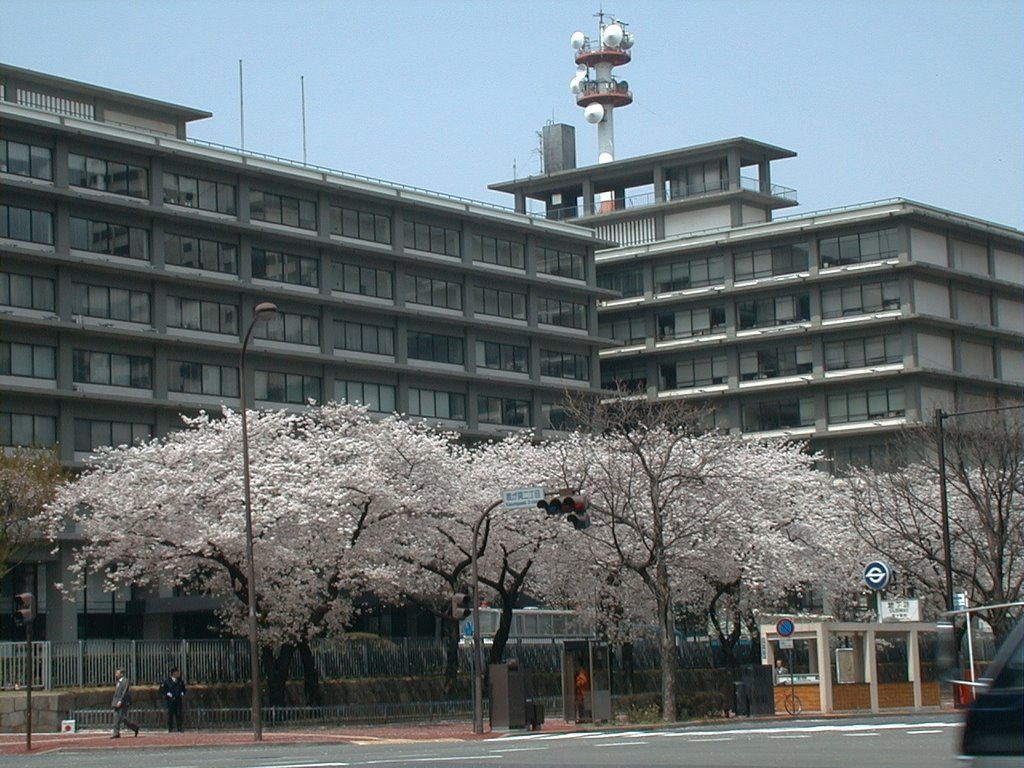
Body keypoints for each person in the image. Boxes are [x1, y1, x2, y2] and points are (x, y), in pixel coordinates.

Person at [111, 668, 139, 738]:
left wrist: (120, 701)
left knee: (123, 718)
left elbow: (124, 692)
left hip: (123, 702)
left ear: (122, 674)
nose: (116, 674)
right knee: (115, 717)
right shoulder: (118, 682)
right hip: (116, 701)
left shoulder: (125, 681)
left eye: (117, 673)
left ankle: (135, 727)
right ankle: (116, 732)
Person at [160, 666, 186, 732]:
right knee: (170, 714)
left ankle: (179, 727)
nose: (178, 674)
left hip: (178, 700)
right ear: (173, 673)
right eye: (177, 672)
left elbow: (183, 689)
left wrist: (182, 692)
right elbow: (162, 690)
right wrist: (167, 693)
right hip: (170, 700)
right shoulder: (167, 681)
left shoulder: (180, 681)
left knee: (179, 714)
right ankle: (170, 728)